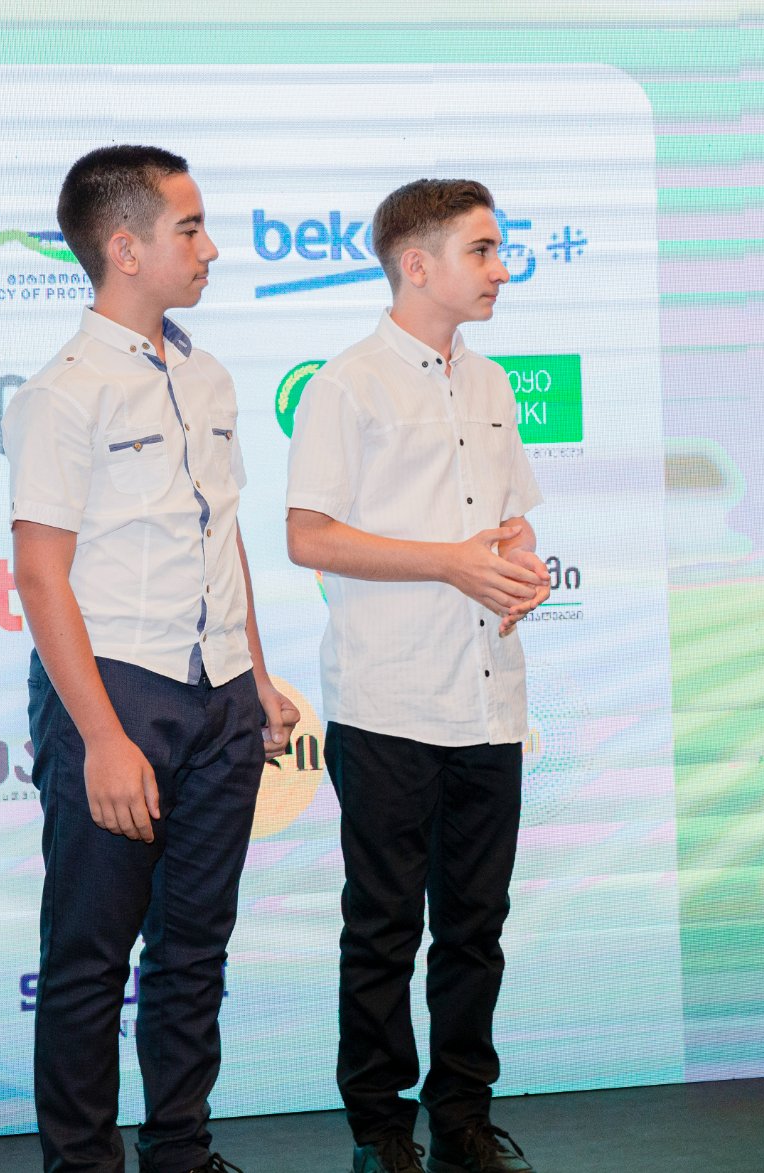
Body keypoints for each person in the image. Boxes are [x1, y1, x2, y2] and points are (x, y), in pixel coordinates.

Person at [6, 145, 300, 1173]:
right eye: (190, 228)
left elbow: (222, 534)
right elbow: (39, 574)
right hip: (116, 693)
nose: (210, 248)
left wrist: (256, 674)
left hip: (221, 696)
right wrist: (99, 738)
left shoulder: (207, 375)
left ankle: (181, 1151)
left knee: (194, 948)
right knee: (88, 958)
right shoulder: (63, 391)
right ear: (124, 249)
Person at [285, 179, 552, 1173]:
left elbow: (509, 523)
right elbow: (308, 535)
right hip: (388, 701)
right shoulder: (347, 384)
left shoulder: (489, 384)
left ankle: (463, 1117)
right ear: (415, 264)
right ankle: (379, 1127)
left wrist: (518, 564)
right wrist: (450, 564)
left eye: (498, 250)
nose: (500, 270)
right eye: (481, 251)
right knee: (384, 927)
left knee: (476, 927)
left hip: (488, 697)